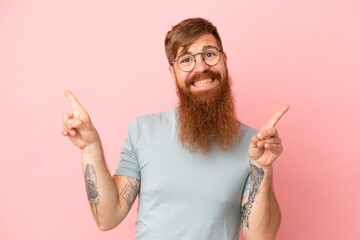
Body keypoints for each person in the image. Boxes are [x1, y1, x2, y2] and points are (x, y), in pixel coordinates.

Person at [61, 18, 289, 240]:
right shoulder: (142, 131)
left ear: (224, 60)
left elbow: (260, 237)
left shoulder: (253, 144)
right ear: (172, 72)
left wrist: (262, 168)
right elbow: (108, 218)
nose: (201, 67)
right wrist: (90, 147)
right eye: (186, 60)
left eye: (209, 54)